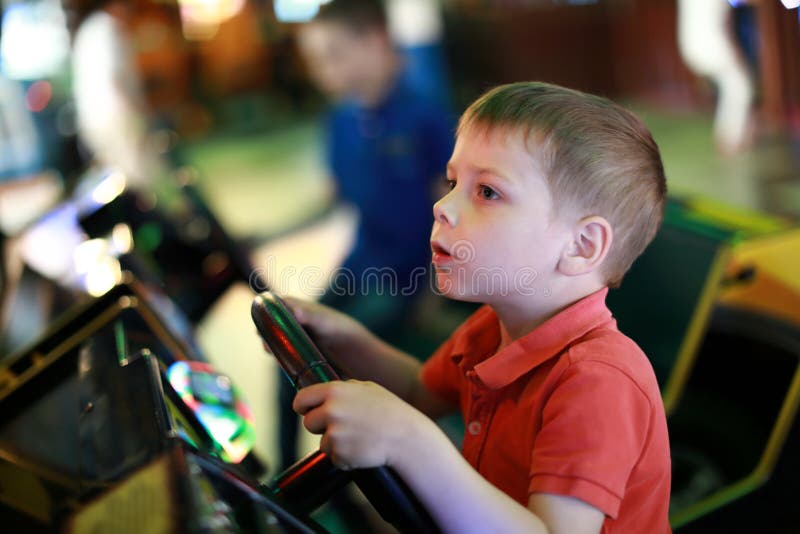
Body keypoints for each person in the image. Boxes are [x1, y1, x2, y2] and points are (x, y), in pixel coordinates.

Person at [286, 82, 672, 533]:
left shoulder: (597, 381)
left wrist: (411, 441)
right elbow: (418, 392)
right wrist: (347, 340)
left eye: (487, 192)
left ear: (582, 245)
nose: (442, 206)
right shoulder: (492, 327)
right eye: (453, 183)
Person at [276, 0, 455, 472]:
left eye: (333, 55)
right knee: (287, 342)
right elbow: (332, 200)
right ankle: (278, 479)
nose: (322, 71)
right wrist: (263, 235)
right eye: (314, 61)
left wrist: (435, 290)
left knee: (332, 368)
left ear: (376, 42)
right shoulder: (340, 121)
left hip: (407, 277)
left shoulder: (427, 116)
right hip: (360, 264)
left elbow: (452, 210)